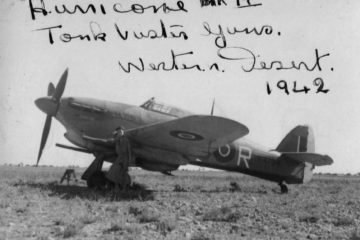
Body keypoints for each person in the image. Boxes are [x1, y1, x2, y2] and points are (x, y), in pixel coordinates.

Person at [106, 126, 131, 192]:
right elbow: (110, 140)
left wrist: (129, 162)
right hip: (119, 157)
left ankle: (124, 188)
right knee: (114, 172)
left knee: (124, 174)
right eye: (119, 132)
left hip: (125, 158)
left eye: (121, 131)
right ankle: (117, 187)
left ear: (123, 132)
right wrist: (113, 134)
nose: (120, 133)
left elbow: (129, 151)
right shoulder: (117, 140)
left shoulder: (126, 140)